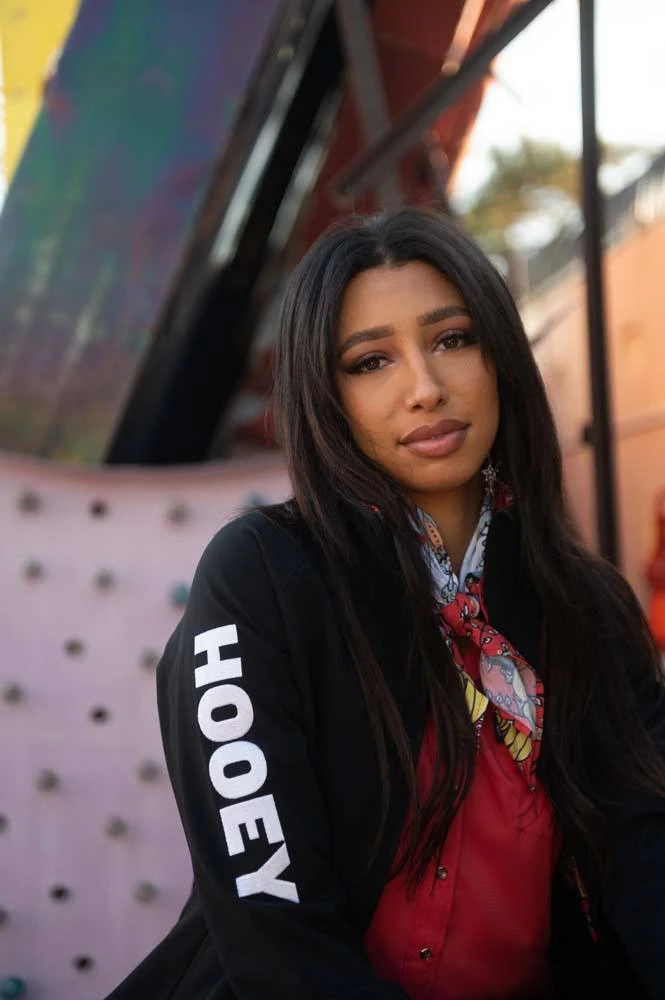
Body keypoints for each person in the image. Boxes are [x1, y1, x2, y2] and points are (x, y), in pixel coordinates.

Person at [106, 207, 665, 1000]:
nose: (425, 389)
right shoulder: (260, 575)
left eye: (452, 340)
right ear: (324, 394)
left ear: (500, 360)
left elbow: (645, 851)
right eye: (370, 361)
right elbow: (272, 918)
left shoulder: (585, 605)